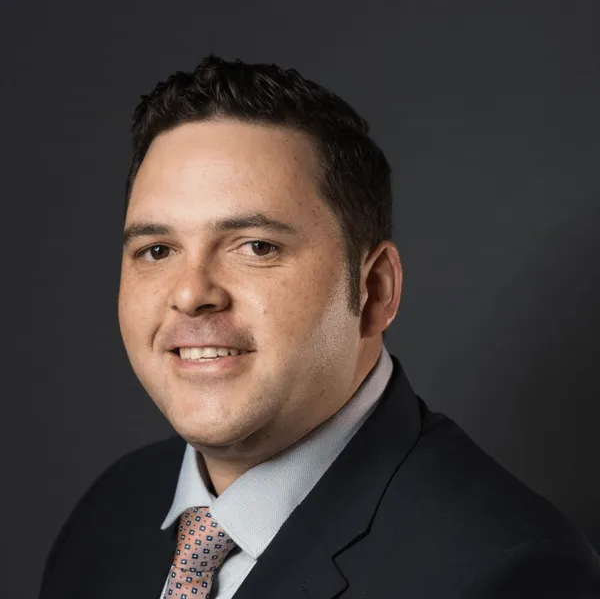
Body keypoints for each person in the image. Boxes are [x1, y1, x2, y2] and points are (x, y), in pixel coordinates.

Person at [39, 55, 600, 599]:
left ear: (376, 289)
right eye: (157, 249)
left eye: (256, 246)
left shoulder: (505, 572)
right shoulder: (110, 512)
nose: (190, 294)